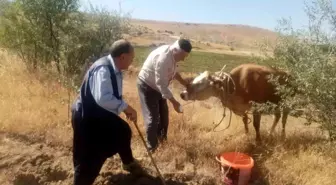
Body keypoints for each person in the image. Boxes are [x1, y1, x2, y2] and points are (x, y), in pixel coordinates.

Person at [71, 39, 148, 185]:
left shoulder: (115, 69)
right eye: (132, 57)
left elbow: (110, 96)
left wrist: (121, 107)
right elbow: (102, 98)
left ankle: (128, 163)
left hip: (98, 114)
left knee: (123, 130)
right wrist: (125, 107)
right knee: (89, 158)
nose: (132, 61)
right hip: (86, 117)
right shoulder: (104, 69)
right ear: (123, 57)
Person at [137, 38, 192, 152]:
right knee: (153, 118)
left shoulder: (173, 55)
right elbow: (161, 84)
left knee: (164, 117)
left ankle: (162, 141)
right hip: (147, 86)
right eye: (183, 55)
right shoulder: (163, 58)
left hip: (158, 87)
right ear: (176, 50)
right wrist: (175, 103)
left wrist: (185, 83)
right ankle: (152, 148)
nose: (184, 59)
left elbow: (173, 72)